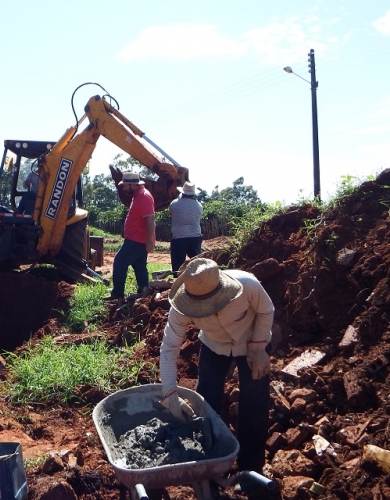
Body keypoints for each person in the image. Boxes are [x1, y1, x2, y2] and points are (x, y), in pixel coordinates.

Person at [159, 258, 273, 475]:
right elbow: (169, 348)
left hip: (251, 341)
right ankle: (211, 460)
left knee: (255, 401)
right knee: (207, 400)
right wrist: (170, 394)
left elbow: (266, 310)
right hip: (213, 345)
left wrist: (259, 347)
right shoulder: (181, 306)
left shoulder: (247, 284)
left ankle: (251, 467)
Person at [104, 171, 155, 302]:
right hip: (136, 238)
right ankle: (144, 291)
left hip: (137, 239)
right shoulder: (138, 196)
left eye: (126, 185)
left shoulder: (144, 197)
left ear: (133, 185)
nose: (124, 188)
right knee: (139, 265)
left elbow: (150, 219)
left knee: (120, 261)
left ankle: (117, 293)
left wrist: (149, 240)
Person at [168, 181, 203, 276]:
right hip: (195, 237)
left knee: (177, 266)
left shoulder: (174, 204)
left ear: (182, 192)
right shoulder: (199, 206)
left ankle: (176, 283)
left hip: (179, 237)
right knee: (196, 265)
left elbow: (171, 214)